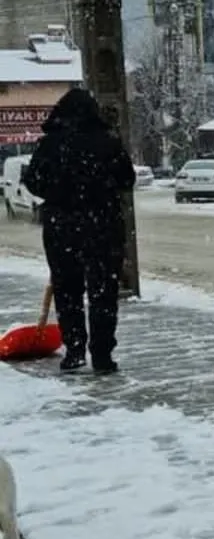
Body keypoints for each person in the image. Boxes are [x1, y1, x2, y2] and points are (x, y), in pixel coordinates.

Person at [23, 88, 135, 374]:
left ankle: (74, 350)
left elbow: (33, 181)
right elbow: (126, 179)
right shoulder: (107, 142)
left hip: (62, 228)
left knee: (67, 289)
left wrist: (60, 194)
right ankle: (102, 354)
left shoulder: (50, 145)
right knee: (103, 292)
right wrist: (100, 190)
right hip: (103, 225)